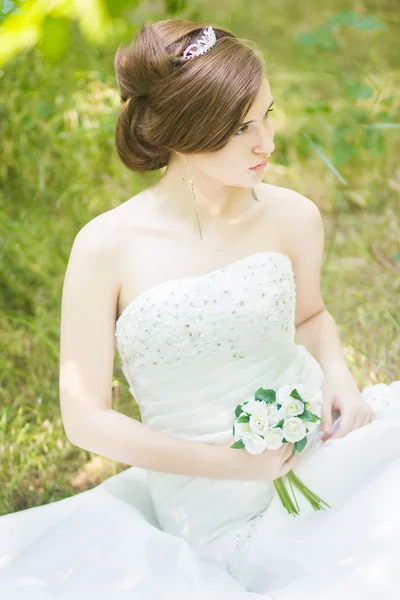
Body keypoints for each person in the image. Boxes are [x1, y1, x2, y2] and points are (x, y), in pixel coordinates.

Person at [0, 19, 399, 600]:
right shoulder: (106, 247)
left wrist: (339, 377)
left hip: (321, 443)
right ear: (183, 132)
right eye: (241, 128)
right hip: (207, 497)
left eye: (268, 114)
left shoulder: (292, 216)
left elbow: (310, 317)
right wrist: (235, 466)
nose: (266, 142)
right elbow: (85, 417)